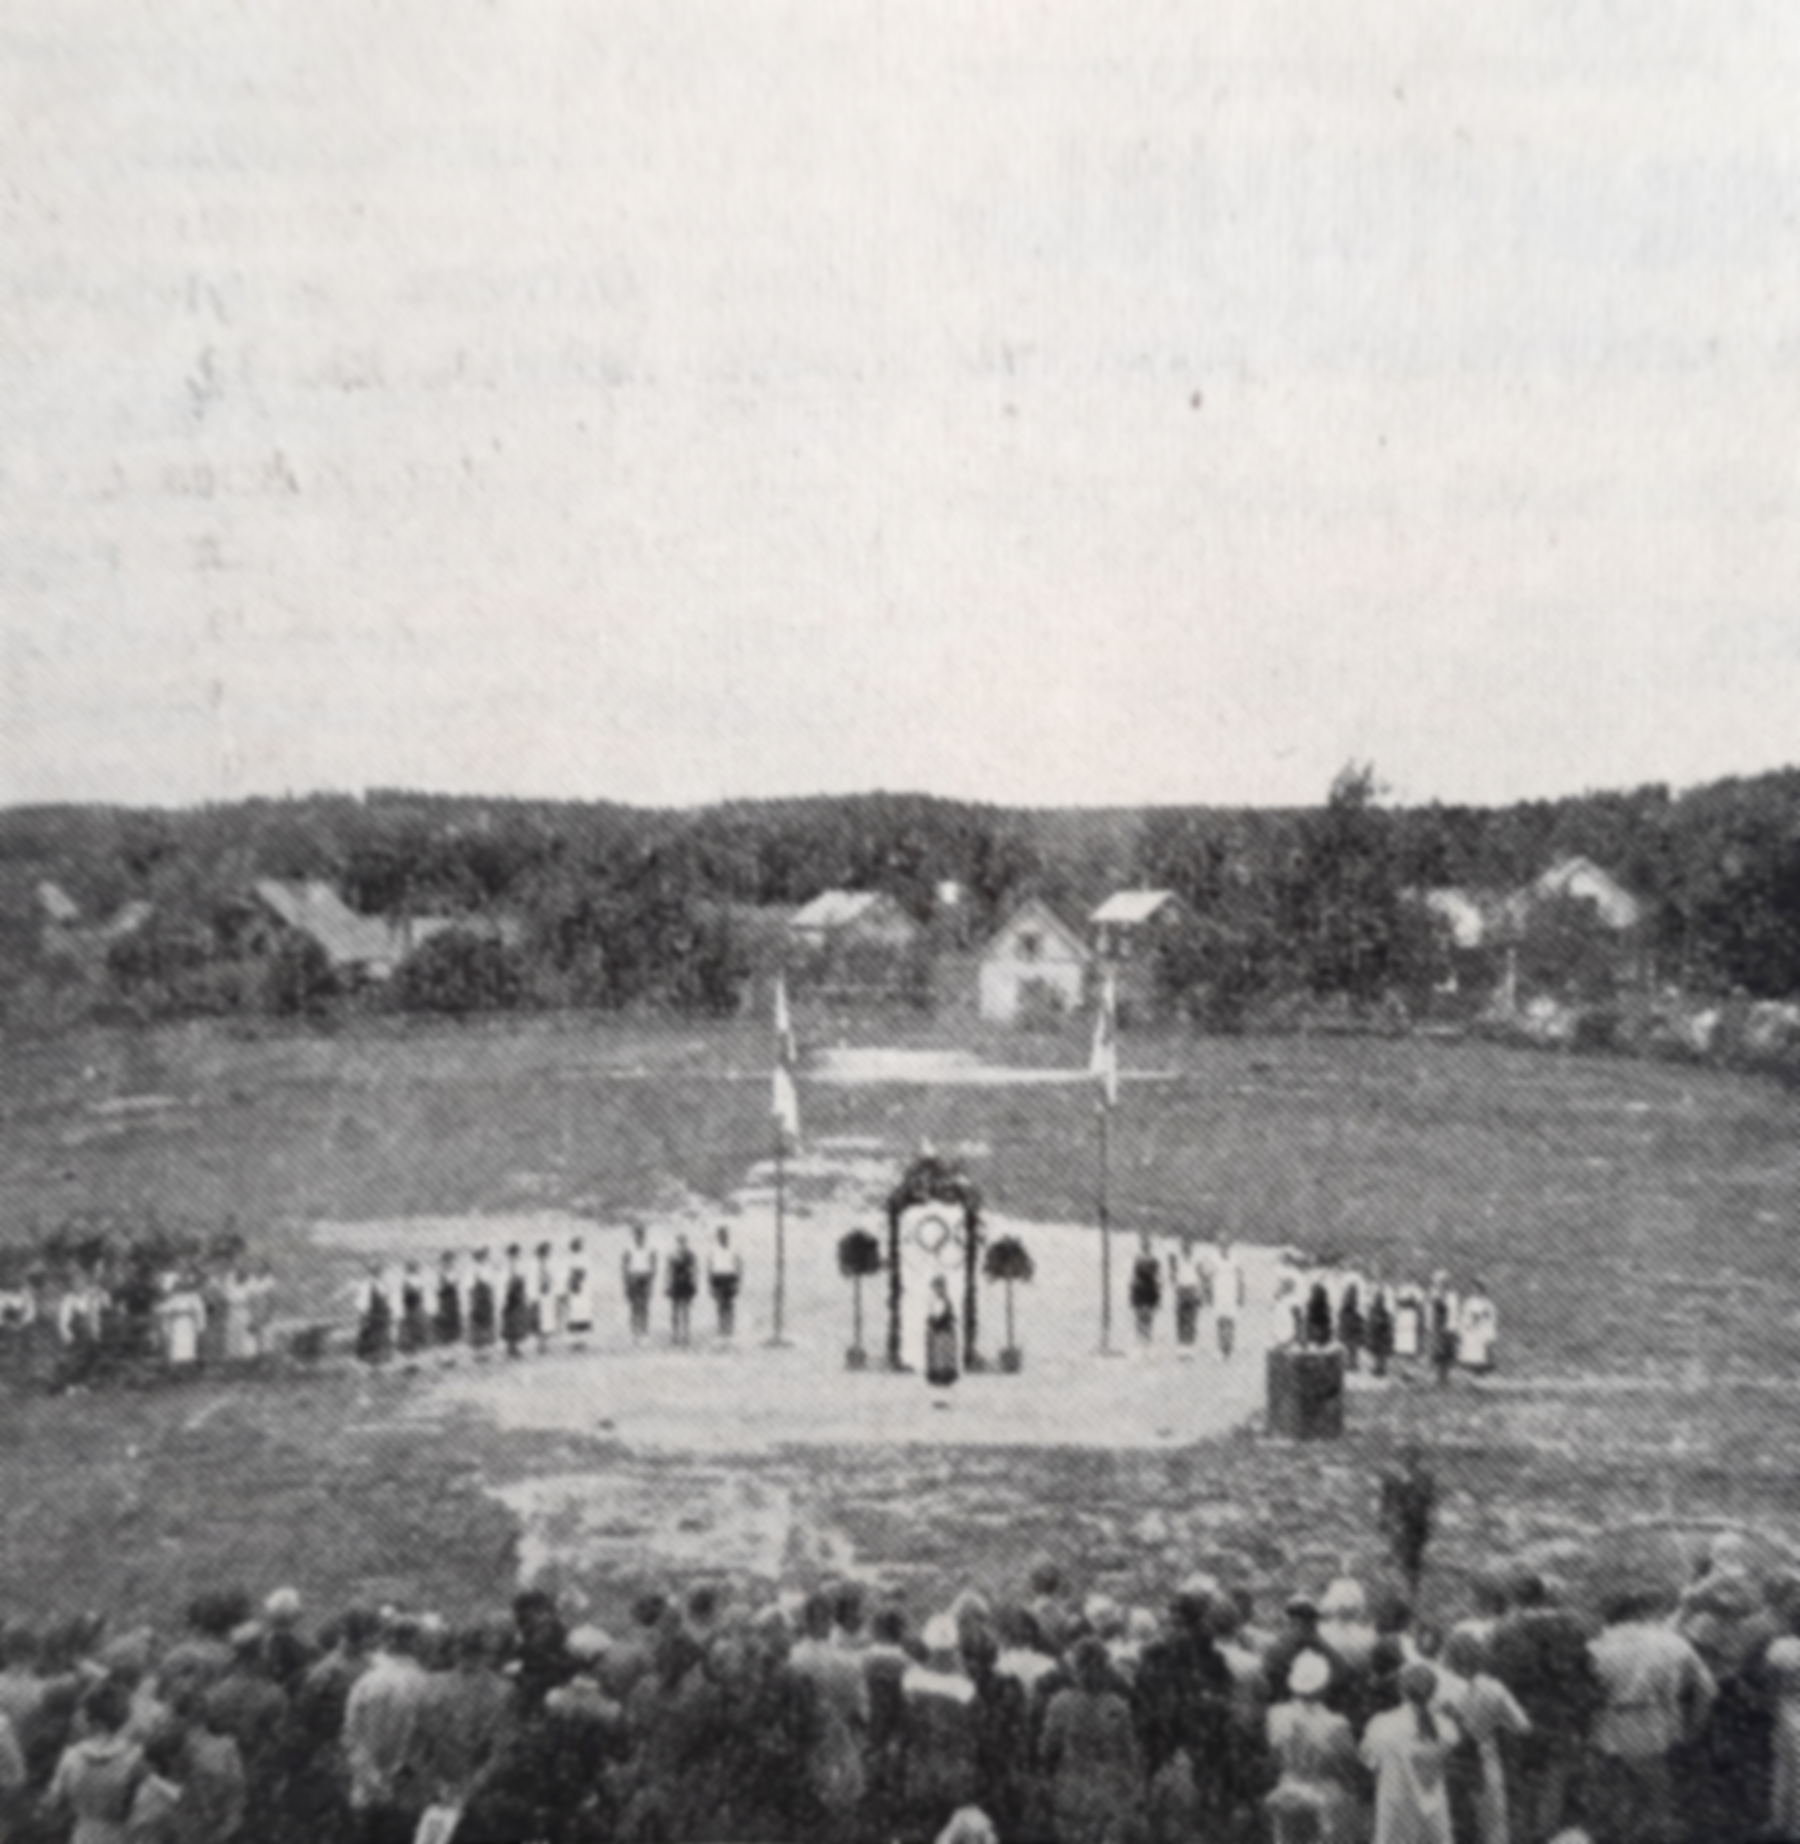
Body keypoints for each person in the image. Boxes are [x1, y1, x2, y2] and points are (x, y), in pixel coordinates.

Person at [1586, 1586, 1715, 1844]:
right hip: (1655, 1721)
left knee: (1618, 1795)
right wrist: (1695, 1725)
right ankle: (1654, 1830)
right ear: (1644, 1612)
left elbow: (1584, 1691)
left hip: (1606, 1723)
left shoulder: (1595, 1646)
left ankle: (1628, 1832)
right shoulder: (1671, 1642)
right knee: (1656, 1792)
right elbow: (1708, 1689)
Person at [1041, 1634, 1142, 1844]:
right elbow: (1129, 1756)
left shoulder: (1060, 1704)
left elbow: (1047, 1750)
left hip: (1070, 1789)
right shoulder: (1117, 1706)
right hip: (1107, 1791)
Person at [1437, 1628, 1529, 1844]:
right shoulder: (1493, 1688)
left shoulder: (1438, 1687)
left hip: (1448, 1761)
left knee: (1452, 1826)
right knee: (1493, 1824)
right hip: (1485, 1756)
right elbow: (1523, 1726)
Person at [1265, 1650, 1361, 1844]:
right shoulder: (1336, 1724)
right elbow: (1347, 1764)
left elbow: (1274, 1755)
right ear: (1324, 1686)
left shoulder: (1275, 1714)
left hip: (1287, 1788)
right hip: (1324, 1792)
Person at [1362, 1661, 1459, 1844]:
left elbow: (1370, 1764)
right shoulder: (1447, 1728)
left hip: (1394, 1806)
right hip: (1433, 1809)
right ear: (1434, 1691)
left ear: (1401, 1690)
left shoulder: (1381, 1725)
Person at [45, 1677, 146, 1844]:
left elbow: (53, 1801)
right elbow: (142, 1811)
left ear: (92, 1719)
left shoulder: (71, 1756)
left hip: (83, 1835)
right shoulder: (136, 1758)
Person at [1379, 1445, 1437, 1596]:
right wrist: (1384, 1517)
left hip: (1416, 1523)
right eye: (1405, 1457)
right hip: (1398, 1521)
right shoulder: (1392, 1477)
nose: (1407, 1460)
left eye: (1411, 1457)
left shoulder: (1424, 1478)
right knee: (1397, 1552)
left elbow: (1427, 1499)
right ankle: (1397, 1587)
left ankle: (1411, 1588)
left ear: (1416, 1459)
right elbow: (1386, 1498)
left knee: (1413, 1557)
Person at [156, 1274, 208, 1372]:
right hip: (177, 1325)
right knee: (177, 1345)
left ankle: (189, 1365)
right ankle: (175, 1366)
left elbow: (197, 1311)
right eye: (179, 1285)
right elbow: (164, 1309)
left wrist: (186, 1314)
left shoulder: (194, 1297)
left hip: (188, 1324)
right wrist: (172, 1312)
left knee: (189, 1344)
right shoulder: (174, 1298)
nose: (182, 1287)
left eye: (185, 1285)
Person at [706, 1226, 743, 1341]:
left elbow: (739, 1265)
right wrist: (710, 1283)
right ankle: (721, 1326)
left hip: (730, 1277)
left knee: (729, 1304)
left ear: (728, 1236)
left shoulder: (734, 1249)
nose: (723, 1237)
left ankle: (729, 1327)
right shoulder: (713, 1249)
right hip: (717, 1277)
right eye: (720, 1235)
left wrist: (738, 1282)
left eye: (725, 1235)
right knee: (720, 1303)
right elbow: (709, 1266)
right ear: (717, 1237)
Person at [621, 1225, 657, 1343]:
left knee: (645, 1307)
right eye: (637, 1234)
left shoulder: (650, 1248)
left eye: (641, 1234)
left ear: (644, 1235)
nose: (639, 1237)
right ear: (634, 1236)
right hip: (633, 1278)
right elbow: (624, 1266)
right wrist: (626, 1282)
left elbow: (653, 1266)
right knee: (634, 1307)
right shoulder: (628, 1248)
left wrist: (651, 1281)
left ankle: (644, 1333)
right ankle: (634, 1333)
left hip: (645, 1278)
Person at [1169, 1233, 1204, 1350]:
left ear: (1192, 1246)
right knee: (1180, 1319)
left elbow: (1201, 1276)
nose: (1186, 1246)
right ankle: (1181, 1345)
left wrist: (1200, 1292)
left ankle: (1190, 1345)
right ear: (1181, 1245)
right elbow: (1172, 1276)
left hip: (1192, 1289)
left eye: (1188, 1244)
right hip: (1181, 1290)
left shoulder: (1197, 1259)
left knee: (1192, 1319)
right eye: (1183, 1244)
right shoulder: (1176, 1258)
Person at [1210, 1238, 1245, 1359]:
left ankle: (1229, 1348)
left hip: (1231, 1293)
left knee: (1230, 1321)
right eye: (1221, 1244)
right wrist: (1208, 1294)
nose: (1223, 1247)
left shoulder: (1235, 1258)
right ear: (1218, 1245)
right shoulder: (1214, 1257)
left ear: (1229, 1245)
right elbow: (1209, 1276)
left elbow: (1241, 1277)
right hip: (1218, 1293)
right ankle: (1220, 1348)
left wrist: (1241, 1294)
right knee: (1220, 1321)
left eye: (1226, 1244)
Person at [925, 1274, 959, 1393]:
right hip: (937, 1332)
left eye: (939, 1287)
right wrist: (931, 1321)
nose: (936, 1290)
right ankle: (937, 1377)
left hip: (944, 1332)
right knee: (937, 1355)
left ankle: (945, 1378)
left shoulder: (946, 1301)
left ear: (943, 1288)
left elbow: (947, 1316)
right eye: (935, 1288)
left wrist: (936, 1322)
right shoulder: (935, 1301)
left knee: (944, 1355)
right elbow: (932, 1316)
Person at [1427, 1272, 1461, 1386]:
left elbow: (1454, 1312)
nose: (1441, 1284)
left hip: (1448, 1325)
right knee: (1437, 1350)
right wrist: (1430, 1324)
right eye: (1439, 1282)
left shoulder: (1452, 1295)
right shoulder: (1433, 1294)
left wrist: (1453, 1326)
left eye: (1444, 1282)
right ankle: (1438, 1375)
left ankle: (1445, 1376)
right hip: (1437, 1325)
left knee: (1447, 1350)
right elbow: (1430, 1310)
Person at [1129, 1234, 1162, 1347]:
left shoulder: (1153, 1260)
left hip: (1149, 1288)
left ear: (1149, 1246)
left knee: (1148, 1314)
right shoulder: (1138, 1258)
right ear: (1141, 1245)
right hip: (1140, 1288)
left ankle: (1146, 1336)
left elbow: (1158, 1276)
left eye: (1147, 1244)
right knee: (1140, 1314)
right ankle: (1140, 1336)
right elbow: (1134, 1275)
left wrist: (1158, 1293)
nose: (1146, 1246)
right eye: (1144, 1244)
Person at [500, 1246, 532, 1359]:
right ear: (510, 1254)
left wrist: (523, 1292)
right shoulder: (506, 1266)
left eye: (517, 1253)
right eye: (514, 1253)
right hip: (510, 1296)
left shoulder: (520, 1265)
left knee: (518, 1320)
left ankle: (515, 1346)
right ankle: (510, 1347)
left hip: (519, 1294)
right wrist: (507, 1294)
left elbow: (524, 1279)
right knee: (510, 1321)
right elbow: (504, 1282)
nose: (517, 1255)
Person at [666, 1234, 698, 1346]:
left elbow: (695, 1269)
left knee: (686, 1310)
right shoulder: (672, 1255)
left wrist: (694, 1283)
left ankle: (686, 1333)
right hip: (675, 1283)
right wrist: (667, 1284)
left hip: (686, 1283)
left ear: (686, 1242)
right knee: (674, 1310)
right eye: (679, 1242)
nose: (681, 1244)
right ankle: (675, 1334)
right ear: (677, 1243)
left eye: (683, 1242)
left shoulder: (690, 1254)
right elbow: (668, 1270)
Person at [1459, 1281, 1498, 1373]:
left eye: (1478, 1290)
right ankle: (1471, 1366)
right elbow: (1465, 1314)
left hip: (1482, 1328)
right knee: (1470, 1346)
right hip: (1471, 1327)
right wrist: (1468, 1322)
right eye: (1474, 1289)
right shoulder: (1469, 1302)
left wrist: (1483, 1316)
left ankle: (1481, 1368)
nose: (1476, 1291)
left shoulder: (1487, 1303)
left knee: (1481, 1348)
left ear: (1482, 1290)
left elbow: (1491, 1316)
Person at [396, 1261, 430, 1364]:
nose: (414, 1271)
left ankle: (413, 1362)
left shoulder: (418, 1281)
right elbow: (400, 1297)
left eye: (414, 1269)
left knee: (415, 1335)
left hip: (415, 1310)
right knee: (410, 1336)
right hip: (410, 1310)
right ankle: (411, 1362)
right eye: (413, 1269)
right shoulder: (406, 1281)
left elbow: (423, 1295)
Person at [563, 1236, 595, 1346]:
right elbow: (567, 1272)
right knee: (574, 1311)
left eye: (579, 1245)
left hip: (582, 1286)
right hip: (573, 1286)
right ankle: (575, 1338)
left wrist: (578, 1280)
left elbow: (585, 1271)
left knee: (582, 1311)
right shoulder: (570, 1258)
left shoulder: (584, 1257)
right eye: (576, 1245)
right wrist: (571, 1283)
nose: (577, 1247)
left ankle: (582, 1338)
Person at [433, 1251, 463, 1360]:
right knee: (444, 1328)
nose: (450, 1263)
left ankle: (450, 1355)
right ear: (443, 1261)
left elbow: (457, 1286)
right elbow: (437, 1290)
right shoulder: (441, 1273)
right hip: (445, 1302)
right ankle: (443, 1356)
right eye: (448, 1261)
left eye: (451, 1261)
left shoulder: (455, 1272)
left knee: (452, 1329)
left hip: (453, 1302)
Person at [1366, 1281, 1396, 1378]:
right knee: (1377, 1349)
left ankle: (1381, 1368)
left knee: (1381, 1349)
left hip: (1382, 1327)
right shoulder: (1376, 1296)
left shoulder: (1386, 1295)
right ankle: (1378, 1367)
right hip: (1377, 1327)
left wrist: (1384, 1321)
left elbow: (1389, 1313)